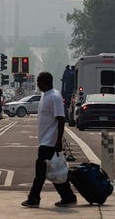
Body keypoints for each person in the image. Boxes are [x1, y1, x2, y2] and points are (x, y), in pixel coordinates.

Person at [22, 71, 77, 208]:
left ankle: (34, 198)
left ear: (46, 82)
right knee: (54, 171)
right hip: (45, 140)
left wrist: (58, 141)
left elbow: (61, 119)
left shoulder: (54, 97)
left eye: (39, 82)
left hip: (50, 141)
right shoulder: (45, 95)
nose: (37, 84)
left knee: (41, 171)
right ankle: (68, 196)